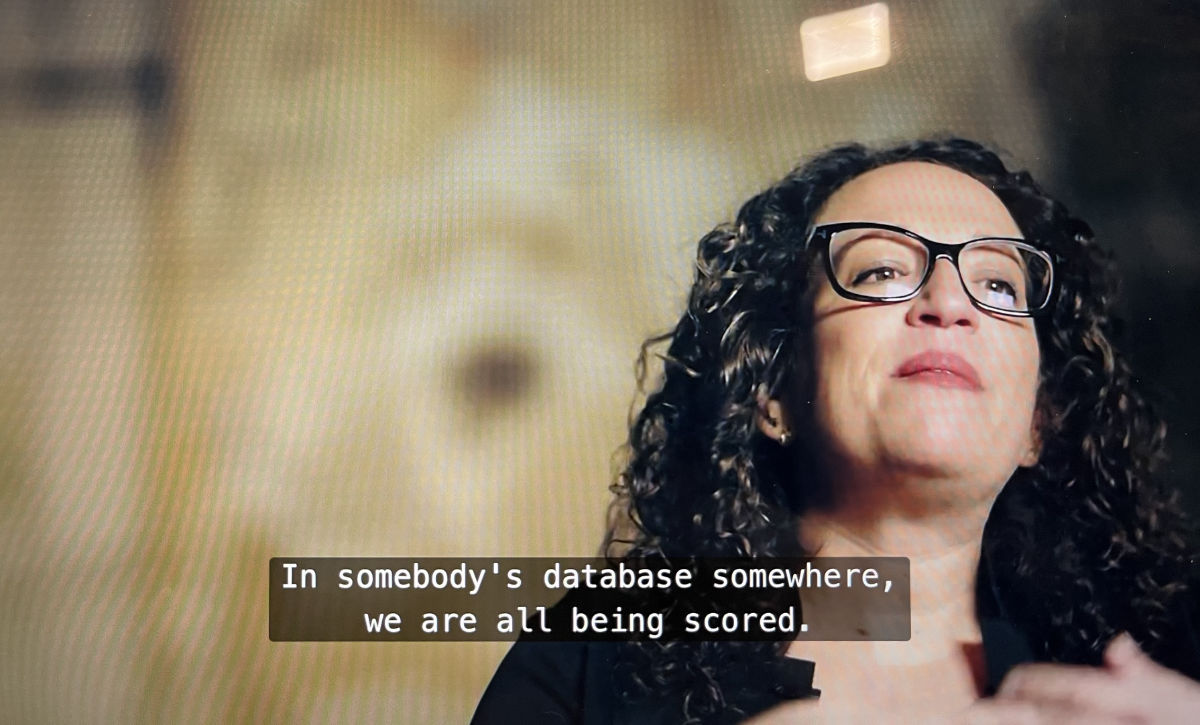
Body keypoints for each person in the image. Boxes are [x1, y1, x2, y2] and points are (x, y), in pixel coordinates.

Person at [472, 138, 1200, 724]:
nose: (949, 302)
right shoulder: (598, 653)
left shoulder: (1168, 657)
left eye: (998, 284)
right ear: (773, 394)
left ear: (1038, 423)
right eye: (881, 271)